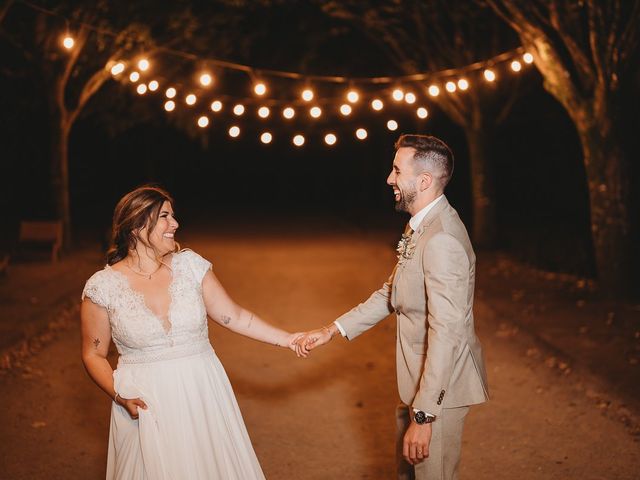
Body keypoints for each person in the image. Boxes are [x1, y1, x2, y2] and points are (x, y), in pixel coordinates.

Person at [296, 134, 489, 480]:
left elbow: (448, 333)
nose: (389, 178)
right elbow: (393, 292)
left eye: (397, 170)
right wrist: (332, 330)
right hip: (417, 381)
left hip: (437, 392)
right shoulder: (419, 227)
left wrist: (425, 415)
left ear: (424, 180)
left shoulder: (442, 239)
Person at [80, 185, 305, 479]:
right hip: (147, 401)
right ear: (136, 225)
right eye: (164, 216)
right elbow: (93, 353)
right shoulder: (102, 286)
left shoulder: (190, 266)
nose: (175, 224)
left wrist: (288, 339)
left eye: (173, 216)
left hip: (201, 390)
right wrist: (119, 395)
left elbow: (233, 316)